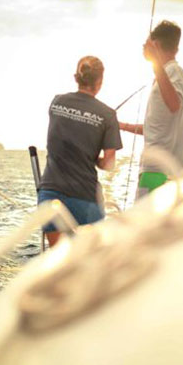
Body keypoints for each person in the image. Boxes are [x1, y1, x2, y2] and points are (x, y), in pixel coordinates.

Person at [38, 56, 123, 247]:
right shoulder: (108, 115)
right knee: (89, 261)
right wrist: (93, 158)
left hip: (51, 193)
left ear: (76, 77)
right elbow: (109, 164)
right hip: (85, 198)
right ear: (100, 81)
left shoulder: (56, 102)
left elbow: (62, 139)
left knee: (56, 258)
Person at [119, 20, 183, 198]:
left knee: (143, 223)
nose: (143, 46)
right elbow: (156, 129)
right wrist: (122, 125)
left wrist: (156, 64)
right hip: (159, 171)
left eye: (147, 43)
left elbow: (174, 103)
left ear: (156, 45)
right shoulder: (167, 75)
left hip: (159, 172)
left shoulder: (173, 71)